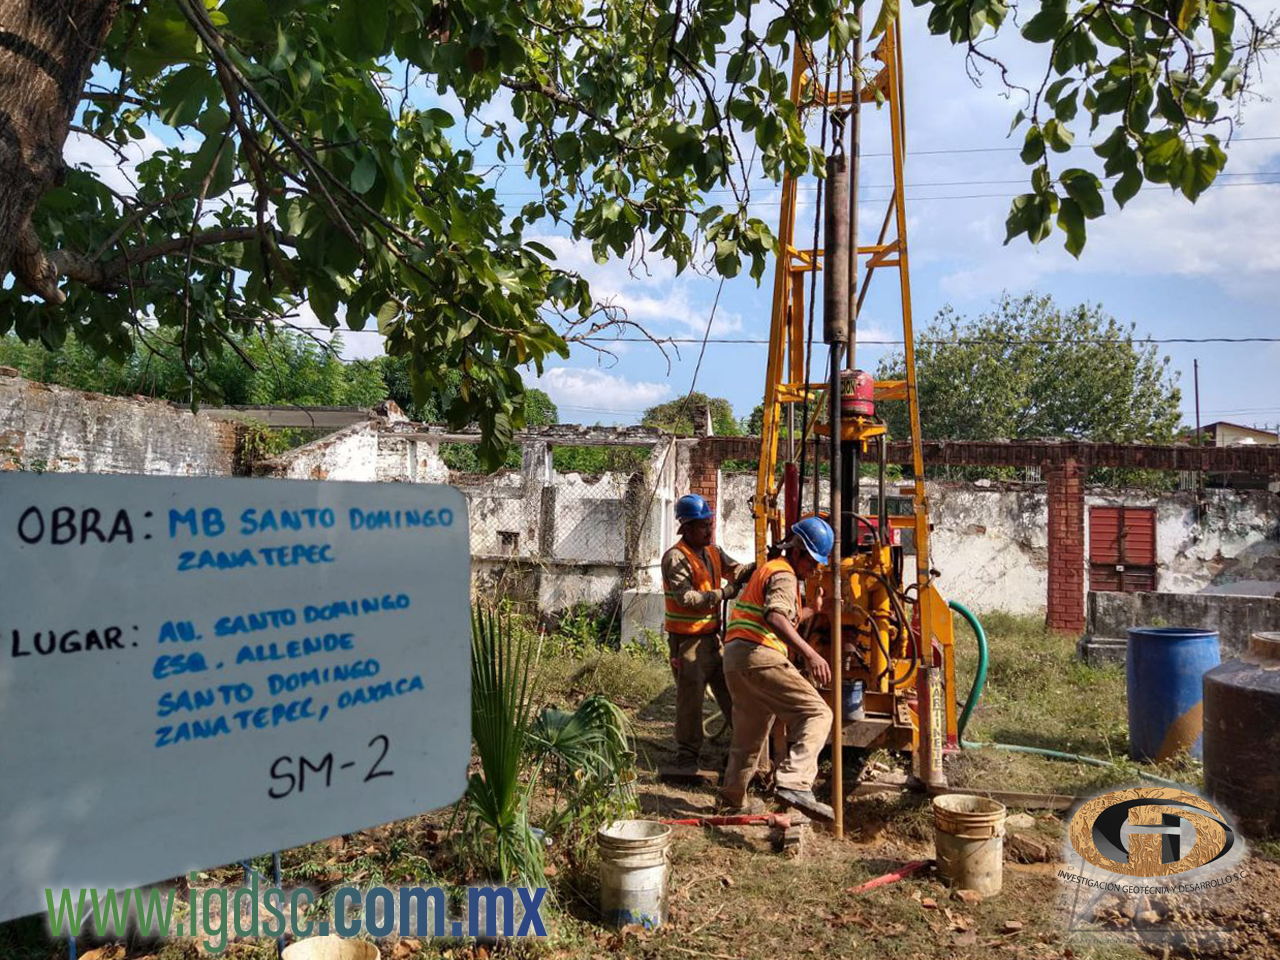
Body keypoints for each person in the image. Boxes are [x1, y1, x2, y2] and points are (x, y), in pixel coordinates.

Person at [717, 516, 836, 822]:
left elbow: (784, 615)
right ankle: (795, 781)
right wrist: (811, 654)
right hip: (760, 655)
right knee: (818, 713)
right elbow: (775, 617)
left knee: (749, 736)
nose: (814, 569)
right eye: (812, 561)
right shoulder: (784, 574)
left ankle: (731, 800)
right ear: (796, 551)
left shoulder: (771, 570)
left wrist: (812, 610)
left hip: (736, 659)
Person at [661, 493, 755, 772]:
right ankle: (687, 757)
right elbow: (686, 598)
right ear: (686, 527)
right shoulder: (676, 558)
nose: (709, 530)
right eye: (703, 526)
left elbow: (736, 570)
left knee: (732, 693)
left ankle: (745, 749)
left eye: (710, 524)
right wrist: (723, 593)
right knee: (690, 701)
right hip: (688, 642)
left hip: (713, 639)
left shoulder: (713, 552)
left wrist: (760, 565)